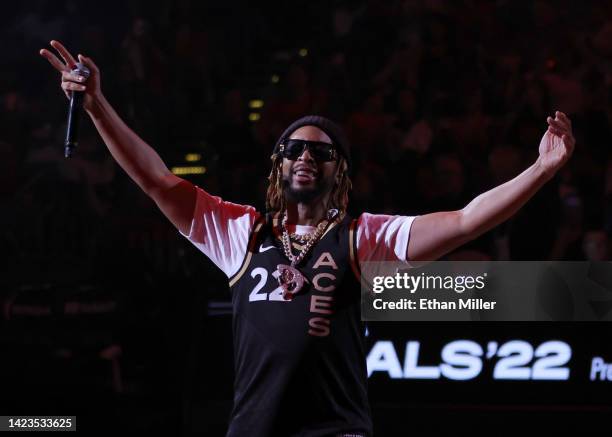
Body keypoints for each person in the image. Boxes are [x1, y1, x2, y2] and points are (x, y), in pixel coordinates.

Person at [40, 40, 576, 437]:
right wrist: (97, 107)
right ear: (278, 164)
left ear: (338, 170)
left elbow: (464, 220)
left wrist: (540, 171)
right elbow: (156, 180)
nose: (304, 157)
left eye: (320, 152)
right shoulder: (240, 233)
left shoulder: (363, 236)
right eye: (294, 149)